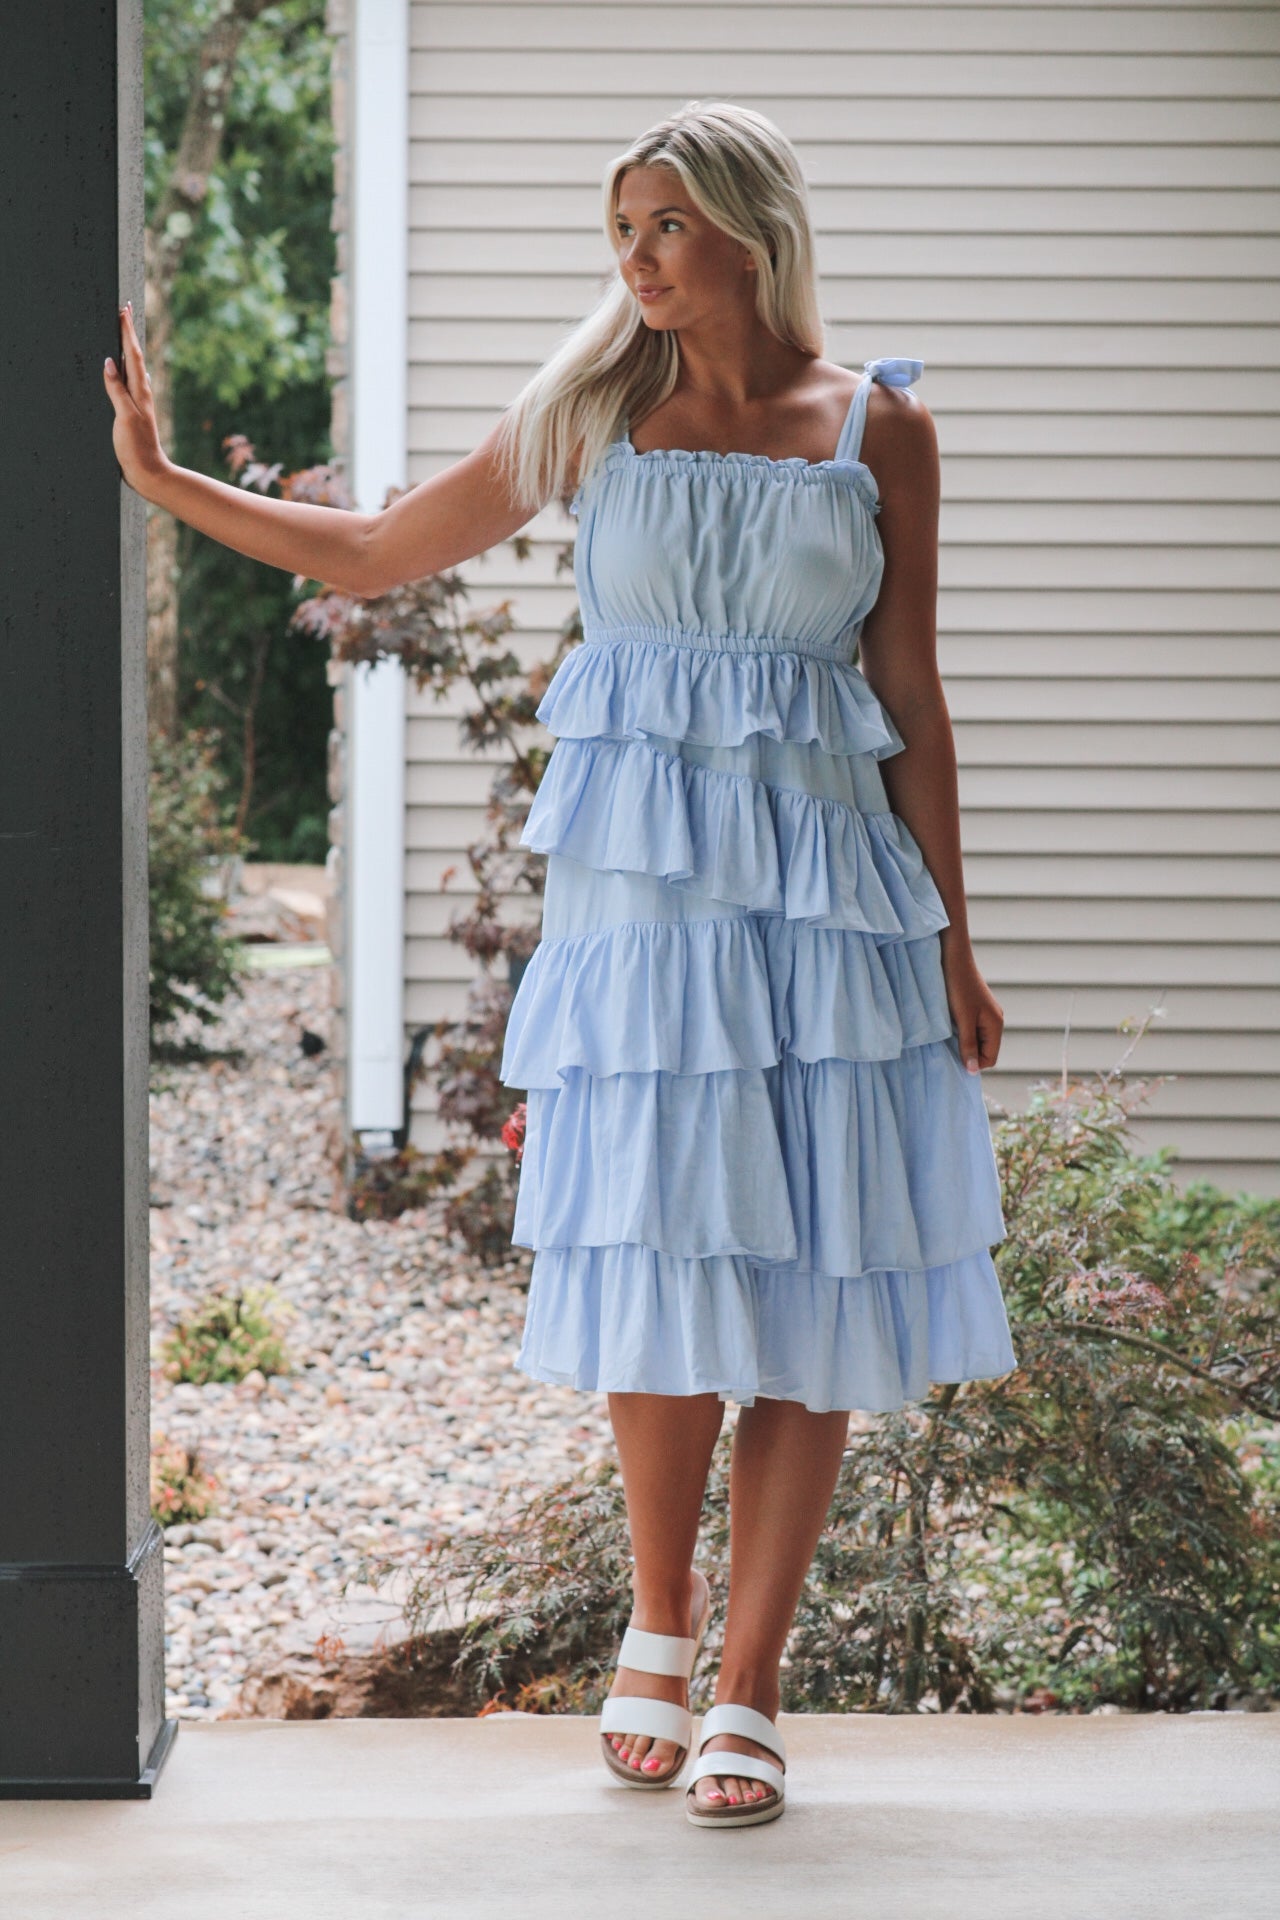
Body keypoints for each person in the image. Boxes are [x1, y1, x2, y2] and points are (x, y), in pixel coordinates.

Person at [106, 97, 1016, 1830]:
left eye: (664, 223)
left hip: (832, 903)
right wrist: (164, 483)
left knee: (821, 1272)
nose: (637, 257)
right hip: (650, 912)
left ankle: (752, 1680)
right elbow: (378, 552)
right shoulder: (594, 414)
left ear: (749, 225)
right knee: (661, 1240)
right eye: (624, 229)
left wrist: (958, 942)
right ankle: (658, 1623)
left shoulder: (880, 429)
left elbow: (912, 694)